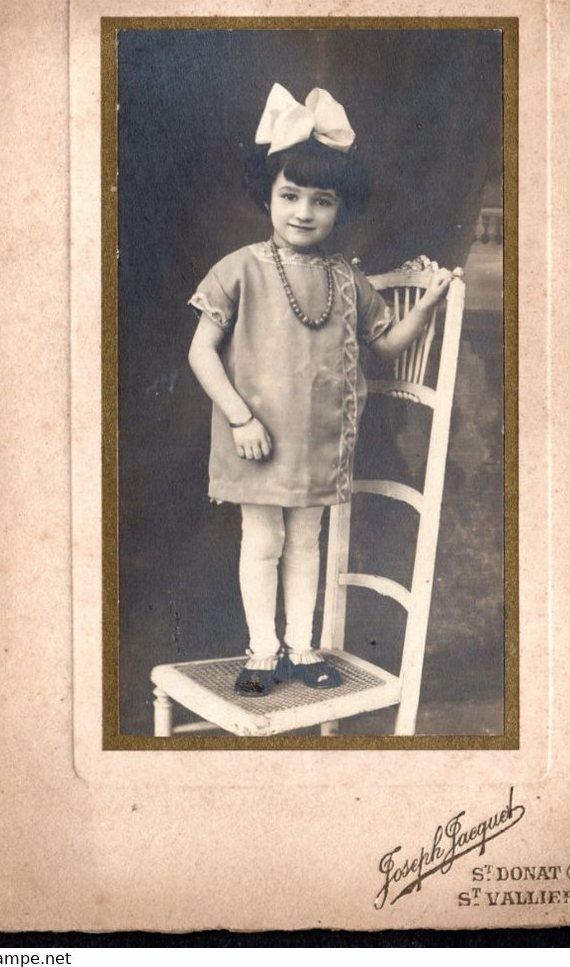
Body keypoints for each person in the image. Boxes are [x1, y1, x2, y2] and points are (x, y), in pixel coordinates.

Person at [188, 83, 453, 696]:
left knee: (304, 541)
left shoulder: (346, 280)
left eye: (321, 200)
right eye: (290, 195)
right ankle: (261, 652)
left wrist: (428, 305)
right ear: (269, 196)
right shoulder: (239, 269)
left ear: (341, 208)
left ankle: (302, 651)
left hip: (318, 440)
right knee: (263, 541)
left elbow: (385, 345)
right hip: (255, 437)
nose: (303, 211)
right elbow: (201, 351)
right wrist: (238, 418)